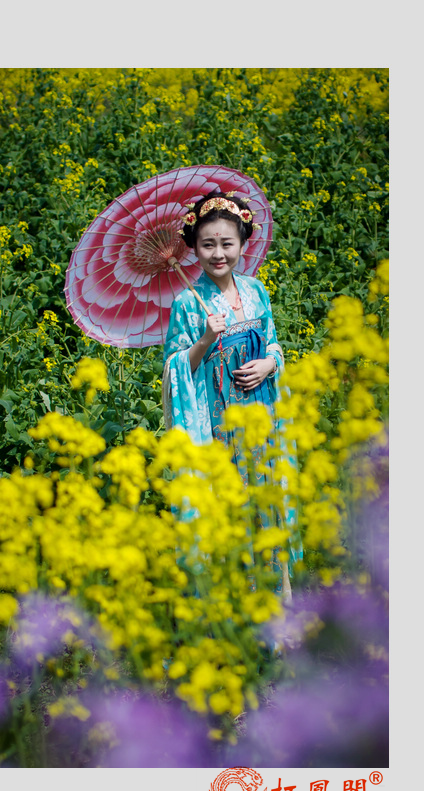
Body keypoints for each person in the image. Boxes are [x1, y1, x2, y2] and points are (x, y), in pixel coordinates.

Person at [162, 190, 300, 590]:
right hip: (216, 425)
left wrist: (271, 362)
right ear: (194, 248)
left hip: (260, 418)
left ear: (242, 243)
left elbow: (273, 341)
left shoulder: (257, 292)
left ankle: (274, 607)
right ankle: (229, 610)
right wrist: (204, 340)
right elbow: (175, 371)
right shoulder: (187, 303)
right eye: (207, 244)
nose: (217, 253)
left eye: (227, 243)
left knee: (266, 500)